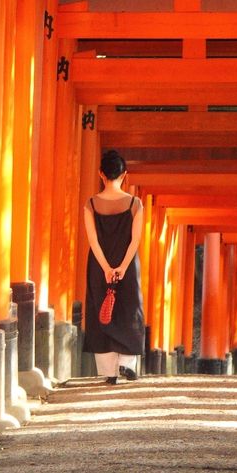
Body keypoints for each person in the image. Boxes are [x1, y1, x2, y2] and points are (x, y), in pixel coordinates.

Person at [83, 149, 145, 384]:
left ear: (101, 174)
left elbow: (92, 240)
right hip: (127, 266)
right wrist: (122, 267)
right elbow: (135, 240)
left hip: (99, 266)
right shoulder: (135, 204)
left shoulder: (90, 204)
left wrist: (107, 268)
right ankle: (126, 363)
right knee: (129, 309)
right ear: (124, 175)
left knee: (102, 310)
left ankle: (109, 372)